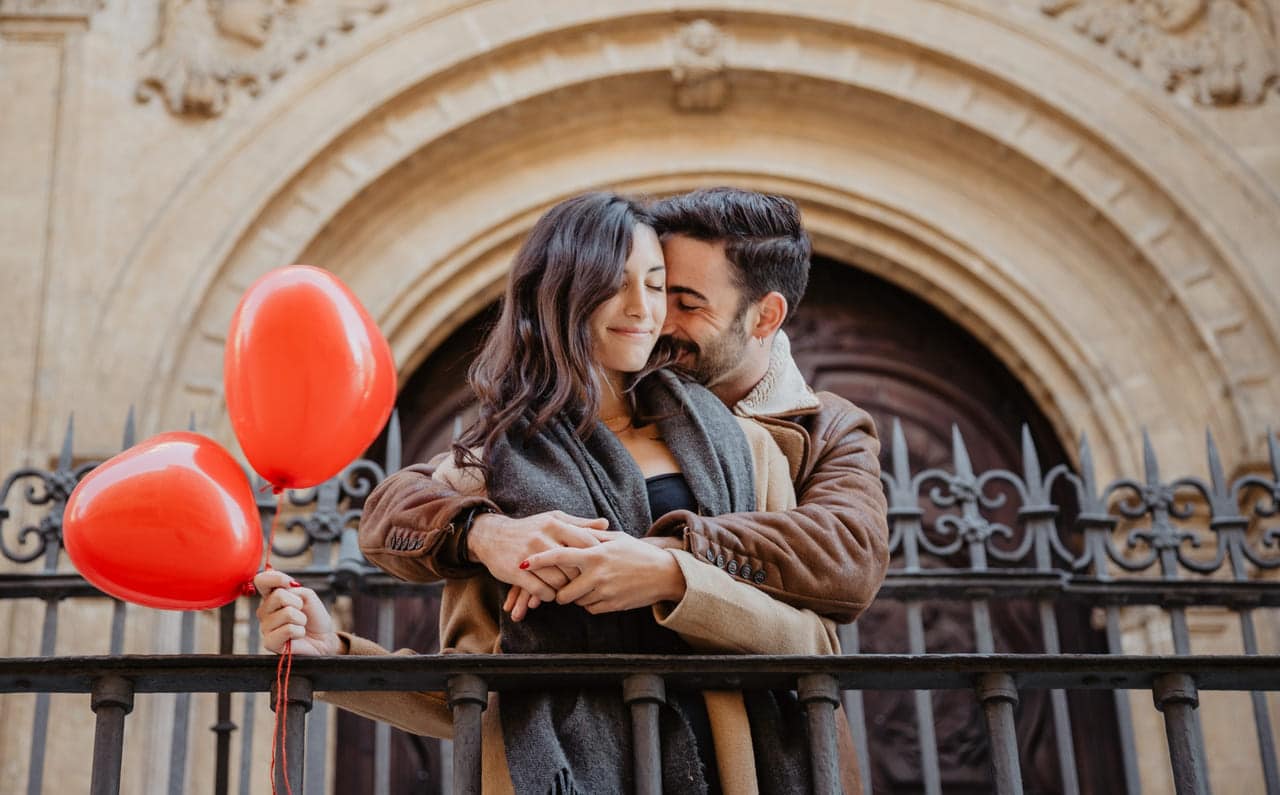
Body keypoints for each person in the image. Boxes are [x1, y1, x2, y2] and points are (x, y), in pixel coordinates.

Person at [255, 192, 861, 793]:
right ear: (559, 294)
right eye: (611, 283)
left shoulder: (747, 448)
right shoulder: (489, 471)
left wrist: (671, 579)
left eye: (657, 285)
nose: (643, 309)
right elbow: (474, 692)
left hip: (740, 772)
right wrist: (334, 655)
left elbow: (813, 644)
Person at [360, 187, 889, 627]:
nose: (654, 318)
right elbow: (403, 501)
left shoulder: (827, 427)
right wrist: (484, 532)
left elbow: (846, 556)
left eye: (683, 301)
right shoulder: (570, 426)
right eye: (634, 285)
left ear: (764, 318)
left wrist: (667, 560)